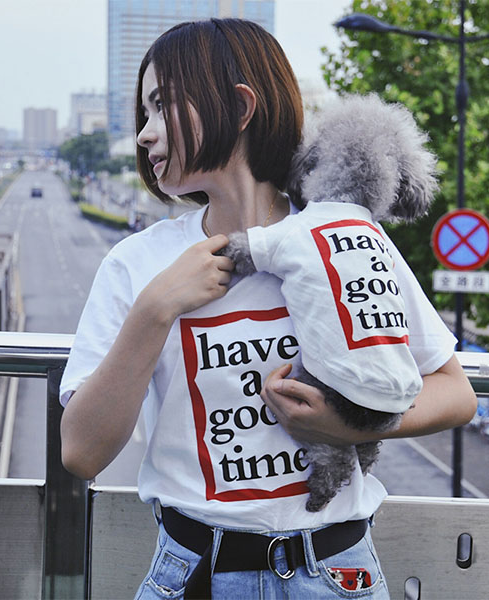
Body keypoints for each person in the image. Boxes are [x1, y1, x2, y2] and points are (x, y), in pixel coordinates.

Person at [59, 18, 477, 600]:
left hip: (336, 574)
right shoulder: (138, 265)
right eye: (144, 114)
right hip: (192, 574)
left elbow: (456, 392)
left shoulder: (345, 240)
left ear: (239, 105)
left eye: (163, 107)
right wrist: (156, 309)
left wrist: (346, 423)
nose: (144, 135)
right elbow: (81, 452)